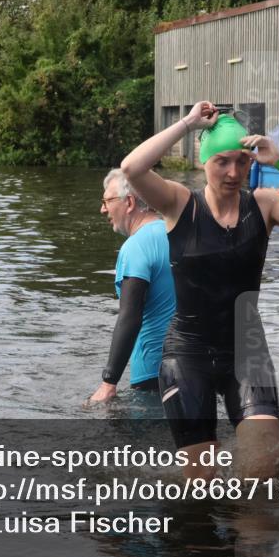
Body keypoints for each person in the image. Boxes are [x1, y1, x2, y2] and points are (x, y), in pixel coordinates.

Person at [120, 101, 279, 479]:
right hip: (188, 352)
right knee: (201, 482)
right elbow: (132, 168)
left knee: (262, 476)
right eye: (222, 161)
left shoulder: (264, 205)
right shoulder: (178, 204)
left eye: (242, 161)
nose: (233, 172)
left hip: (246, 349)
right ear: (204, 162)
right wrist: (187, 124)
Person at [87, 168, 176, 403]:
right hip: (197, 365)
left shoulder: (135, 247)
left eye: (107, 201)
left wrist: (109, 382)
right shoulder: (177, 231)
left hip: (153, 374)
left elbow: (130, 315)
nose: (103, 209)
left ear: (129, 202)